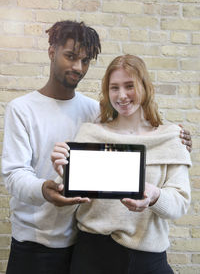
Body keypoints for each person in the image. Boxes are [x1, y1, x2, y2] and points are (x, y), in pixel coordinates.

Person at [52, 54, 192, 274]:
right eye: (114, 88)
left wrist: (155, 196)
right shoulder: (90, 134)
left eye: (130, 86)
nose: (122, 95)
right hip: (92, 255)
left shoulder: (171, 138)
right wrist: (63, 175)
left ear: (145, 87)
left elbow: (180, 204)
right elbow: (66, 201)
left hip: (148, 259)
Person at [1, 20, 101, 274]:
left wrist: (176, 136)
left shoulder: (94, 110)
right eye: (70, 56)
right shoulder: (22, 109)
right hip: (33, 246)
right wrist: (44, 190)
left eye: (86, 61)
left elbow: (132, 134)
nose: (78, 67)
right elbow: (14, 174)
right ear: (51, 52)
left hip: (83, 243)